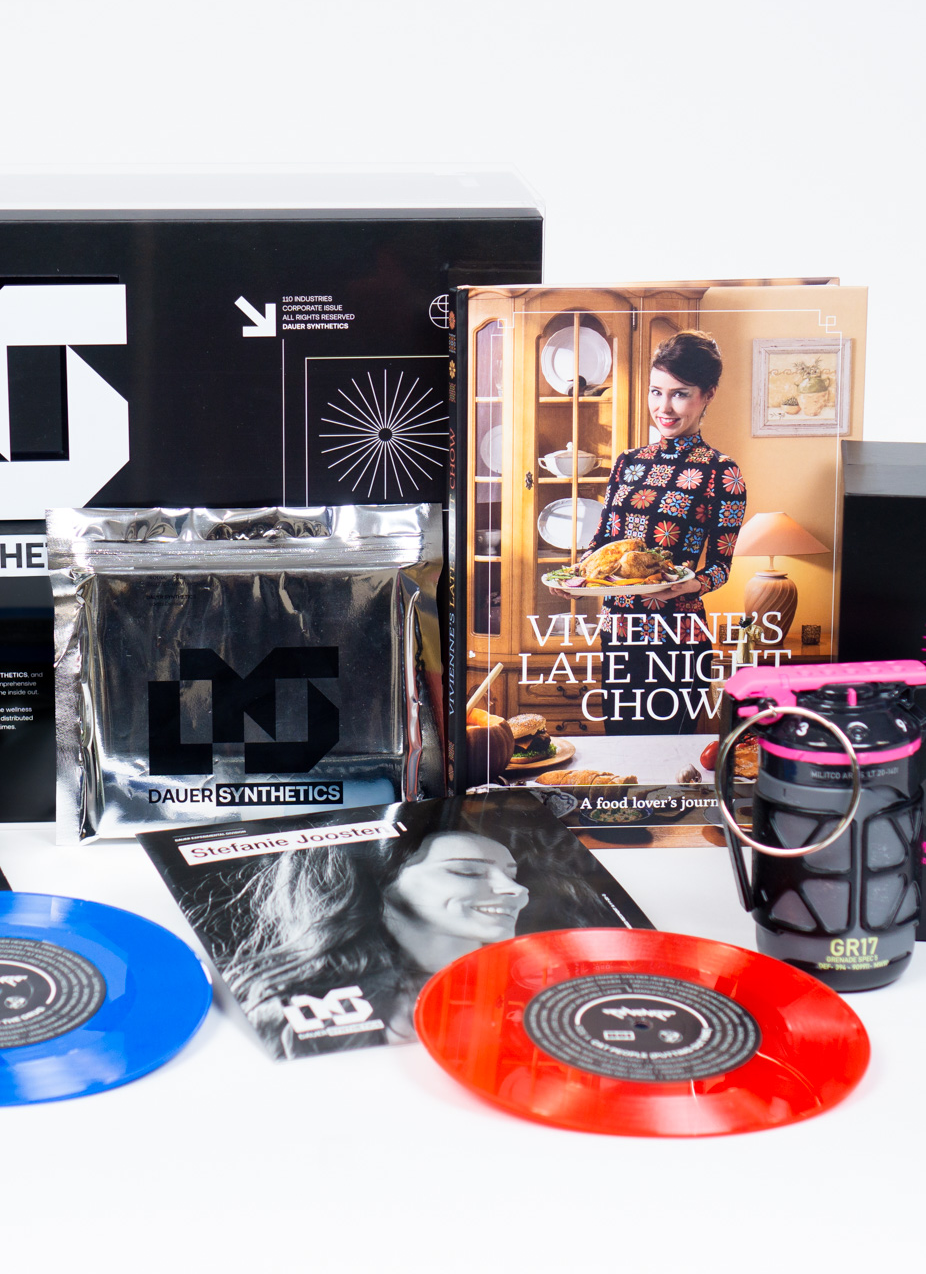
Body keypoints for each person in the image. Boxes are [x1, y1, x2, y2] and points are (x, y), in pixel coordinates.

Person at [211, 798, 618, 1055]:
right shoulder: (295, 1012)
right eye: (467, 872)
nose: (515, 891)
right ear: (379, 882)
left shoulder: (549, 989)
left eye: (512, 875)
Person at [550, 329, 746, 734]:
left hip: (679, 636)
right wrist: (577, 577)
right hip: (619, 633)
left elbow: (720, 567)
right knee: (623, 752)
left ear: (708, 394)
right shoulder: (628, 462)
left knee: (669, 755)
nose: (664, 407)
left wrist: (690, 586)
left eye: (680, 394)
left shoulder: (722, 472)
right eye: (656, 392)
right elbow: (603, 541)